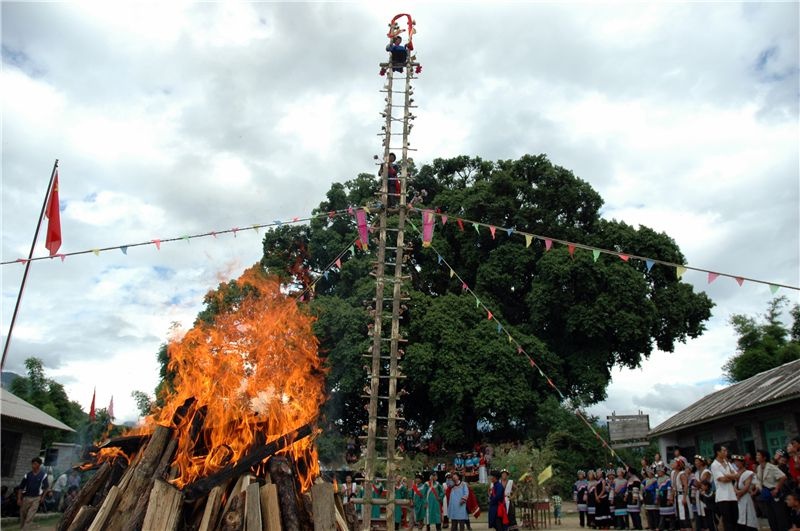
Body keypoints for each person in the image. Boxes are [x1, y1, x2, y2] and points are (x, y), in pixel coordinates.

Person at [755, 447, 788, 531]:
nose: (757, 456)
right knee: (770, 516)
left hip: (774, 492)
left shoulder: (771, 467)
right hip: (766, 493)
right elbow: (758, 480)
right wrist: (759, 488)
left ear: (764, 457)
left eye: (759, 455)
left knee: (779, 515)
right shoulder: (759, 468)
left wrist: (777, 489)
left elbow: (783, 477)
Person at [710, 444, 739, 531]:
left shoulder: (728, 463)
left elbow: (737, 475)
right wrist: (731, 476)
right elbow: (722, 479)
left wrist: (728, 475)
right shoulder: (714, 465)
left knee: (735, 519)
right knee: (728, 521)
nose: (726, 452)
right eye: (724, 451)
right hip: (722, 496)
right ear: (718, 452)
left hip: (732, 495)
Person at [17, 457, 49, 530]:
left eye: (35, 464)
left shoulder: (43, 475)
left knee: (29, 517)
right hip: (26, 498)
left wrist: (43, 497)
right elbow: (21, 488)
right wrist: (19, 498)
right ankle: (23, 528)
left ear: (39, 465)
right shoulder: (27, 475)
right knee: (23, 515)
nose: (33, 465)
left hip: (36, 498)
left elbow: (46, 487)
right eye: (32, 464)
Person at [731, 454, 757, 531]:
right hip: (738, 499)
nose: (736, 463)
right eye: (735, 462)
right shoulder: (735, 474)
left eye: (738, 461)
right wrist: (737, 492)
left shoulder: (748, 473)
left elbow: (747, 486)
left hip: (746, 497)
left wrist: (740, 493)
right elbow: (734, 486)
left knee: (749, 518)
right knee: (740, 519)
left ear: (742, 462)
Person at [693, 456, 713, 531]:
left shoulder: (706, 472)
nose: (695, 463)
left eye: (697, 461)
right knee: (700, 513)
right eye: (695, 461)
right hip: (699, 494)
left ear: (701, 462)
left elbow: (703, 484)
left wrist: (698, 484)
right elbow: (696, 484)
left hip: (707, 494)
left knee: (707, 513)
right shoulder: (696, 473)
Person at [656, 465, 675, 531]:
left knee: (670, 513)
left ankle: (672, 526)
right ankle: (661, 527)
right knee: (662, 513)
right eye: (657, 471)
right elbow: (657, 489)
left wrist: (669, 498)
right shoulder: (658, 479)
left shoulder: (667, 478)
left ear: (663, 471)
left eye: (659, 471)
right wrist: (657, 497)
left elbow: (669, 488)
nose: (658, 472)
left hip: (666, 495)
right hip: (661, 496)